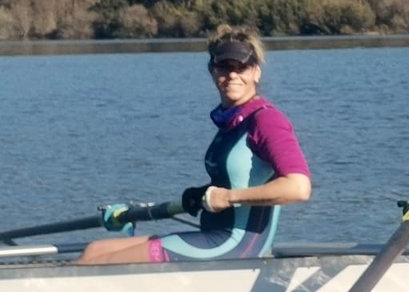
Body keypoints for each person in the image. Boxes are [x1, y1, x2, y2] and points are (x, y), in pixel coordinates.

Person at [78, 27, 312, 265]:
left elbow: (298, 187)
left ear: (256, 72)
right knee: (94, 251)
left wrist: (228, 197)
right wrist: (201, 192)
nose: (232, 74)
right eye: (224, 66)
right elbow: (238, 180)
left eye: (241, 67)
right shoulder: (231, 123)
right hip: (213, 236)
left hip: (236, 247)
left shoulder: (266, 120)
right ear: (212, 71)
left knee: (97, 264)